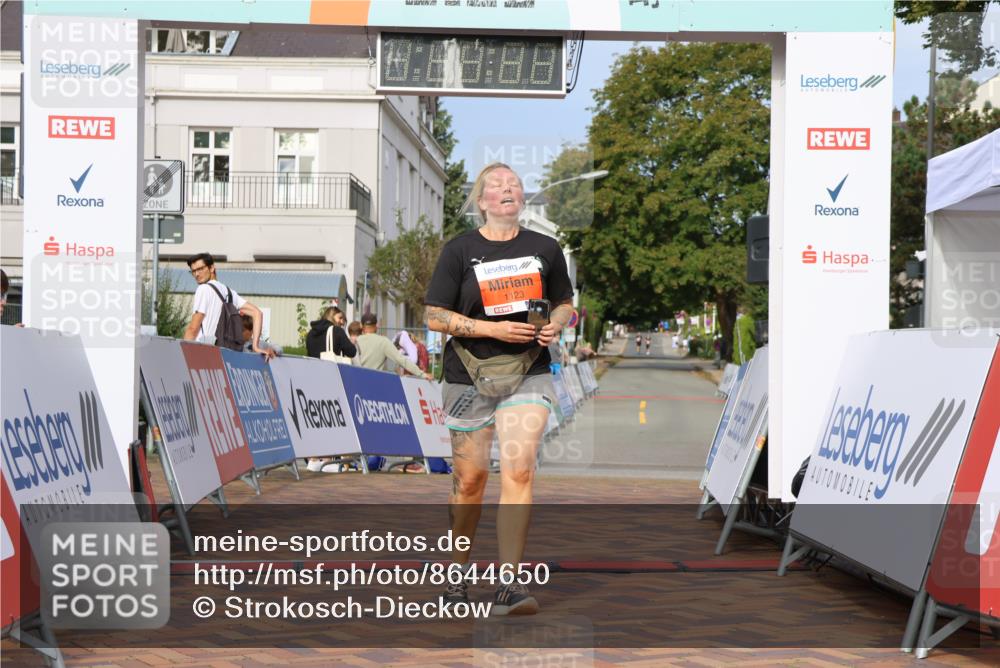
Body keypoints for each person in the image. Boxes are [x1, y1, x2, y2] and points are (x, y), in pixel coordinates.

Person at [424, 162, 574, 615]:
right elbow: (434, 316)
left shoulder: (546, 248)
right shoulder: (460, 250)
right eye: (496, 185)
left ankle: (509, 584)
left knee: (520, 468)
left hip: (529, 370)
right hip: (468, 373)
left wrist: (554, 325)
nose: (506, 189)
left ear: (521, 198)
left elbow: (565, 304)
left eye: (513, 184)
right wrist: (490, 331)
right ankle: (457, 578)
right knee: (471, 480)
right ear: (482, 200)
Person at [182, 253, 274, 359]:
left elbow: (193, 328)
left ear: (211, 268)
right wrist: (256, 346)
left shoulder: (203, 289)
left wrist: (183, 353)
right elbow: (257, 313)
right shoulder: (229, 292)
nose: (197, 274)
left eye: (200, 269)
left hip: (203, 353)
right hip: (224, 355)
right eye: (193, 271)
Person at [356, 313, 432, 379]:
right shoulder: (383, 342)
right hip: (376, 382)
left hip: (358, 380)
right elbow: (401, 360)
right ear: (377, 325)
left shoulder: (355, 342)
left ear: (361, 326)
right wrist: (422, 374)